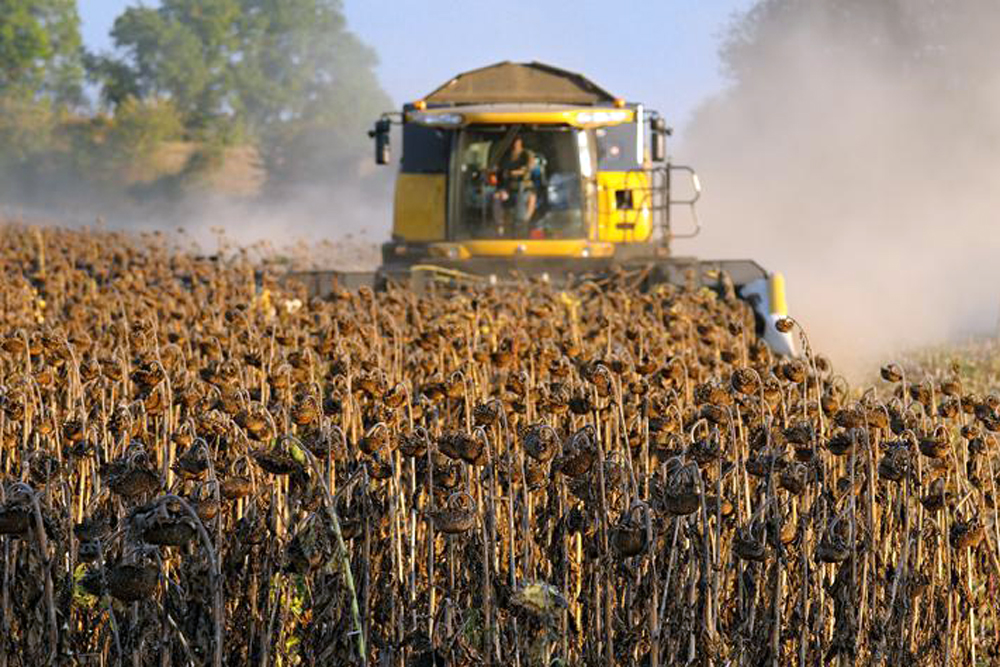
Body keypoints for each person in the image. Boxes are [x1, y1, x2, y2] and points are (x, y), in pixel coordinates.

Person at [492, 136, 537, 236]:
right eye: (512, 141)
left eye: (516, 141)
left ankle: (525, 221)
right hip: (508, 187)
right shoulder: (506, 155)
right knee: (496, 197)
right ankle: (500, 225)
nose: (514, 144)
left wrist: (518, 172)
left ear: (520, 142)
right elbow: (500, 170)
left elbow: (530, 167)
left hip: (524, 187)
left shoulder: (527, 154)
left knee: (531, 198)